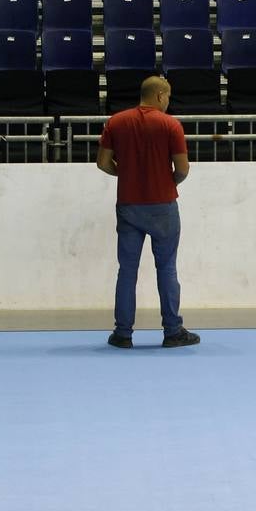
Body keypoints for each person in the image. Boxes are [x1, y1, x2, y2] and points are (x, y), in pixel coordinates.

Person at [96, 76, 200, 349]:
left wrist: (125, 173)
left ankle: (123, 333)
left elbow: (103, 163)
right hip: (163, 206)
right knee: (166, 268)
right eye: (168, 97)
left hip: (129, 205)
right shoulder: (170, 125)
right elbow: (183, 168)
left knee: (127, 271)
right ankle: (172, 331)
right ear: (160, 95)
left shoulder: (116, 122)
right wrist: (169, 182)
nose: (168, 102)